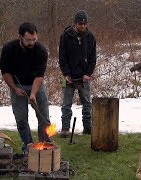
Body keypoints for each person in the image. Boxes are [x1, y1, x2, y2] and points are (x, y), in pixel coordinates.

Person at [0, 22, 51, 152]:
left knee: (44, 116)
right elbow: (5, 72)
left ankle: (45, 144)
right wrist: (15, 89)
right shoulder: (8, 49)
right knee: (21, 119)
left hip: (36, 84)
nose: (32, 43)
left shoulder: (41, 51)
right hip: (17, 85)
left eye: (34, 39)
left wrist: (33, 93)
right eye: (28, 40)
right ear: (20, 37)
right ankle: (28, 146)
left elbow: (40, 76)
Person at [58, 10, 96, 138]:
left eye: (85, 24)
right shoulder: (65, 36)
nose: (82, 26)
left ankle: (88, 127)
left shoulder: (90, 37)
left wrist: (88, 73)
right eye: (80, 24)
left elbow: (93, 58)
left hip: (84, 76)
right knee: (66, 104)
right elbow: (62, 57)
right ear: (75, 23)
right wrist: (66, 74)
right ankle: (65, 128)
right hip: (68, 76)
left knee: (87, 103)